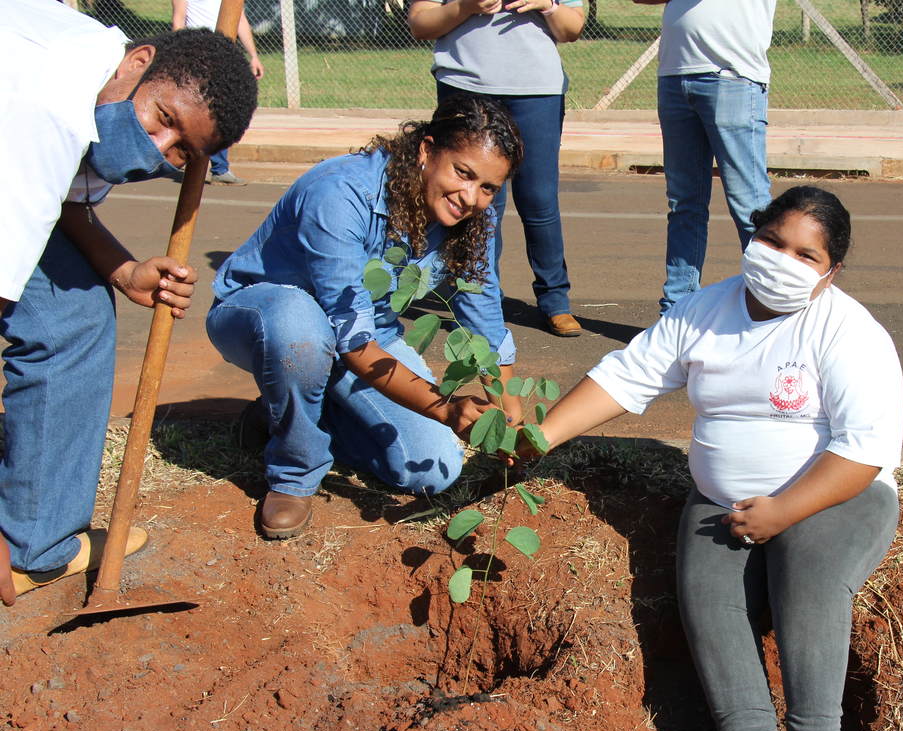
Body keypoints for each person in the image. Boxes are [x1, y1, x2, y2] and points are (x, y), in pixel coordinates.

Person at [526, 187, 903, 731]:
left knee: (806, 575)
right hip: (724, 502)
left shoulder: (850, 332)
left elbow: (863, 452)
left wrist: (785, 510)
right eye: (772, 241)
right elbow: (627, 377)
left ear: (831, 272)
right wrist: (539, 436)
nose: (782, 260)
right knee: (706, 594)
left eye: (805, 256)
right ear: (752, 237)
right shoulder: (703, 312)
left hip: (836, 496)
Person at [0, 0, 258, 606]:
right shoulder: (40, 108)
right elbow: (35, 176)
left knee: (76, 317)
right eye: (163, 118)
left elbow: (60, 199)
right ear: (139, 63)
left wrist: (121, 269)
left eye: (181, 152)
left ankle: (38, 548)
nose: (160, 148)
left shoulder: (106, 86)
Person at [206, 95, 523, 539]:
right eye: (462, 173)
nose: (471, 196)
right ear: (427, 151)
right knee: (301, 328)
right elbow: (353, 340)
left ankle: (293, 414)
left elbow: (484, 319)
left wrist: (511, 421)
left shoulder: (474, 217)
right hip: (267, 317)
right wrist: (447, 408)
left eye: (488, 187)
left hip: (368, 338)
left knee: (434, 471)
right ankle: (294, 471)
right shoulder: (341, 192)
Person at [407, 0, 586, 337]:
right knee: (476, 202)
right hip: (465, 88)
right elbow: (420, 23)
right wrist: (465, 7)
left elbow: (572, 28)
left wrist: (547, 5)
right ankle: (479, 297)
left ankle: (555, 301)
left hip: (537, 91)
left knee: (539, 200)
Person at [633, 0, 777, 314]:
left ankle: (771, 307)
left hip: (734, 74)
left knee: (751, 208)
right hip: (676, 71)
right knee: (684, 205)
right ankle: (677, 311)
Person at [172, 0, 267, 186]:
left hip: (223, 54)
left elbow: (240, 19)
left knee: (222, 110)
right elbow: (178, 20)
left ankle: (219, 168)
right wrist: (181, 55)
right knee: (199, 111)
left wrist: (254, 55)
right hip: (196, 53)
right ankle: (198, 165)